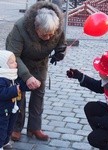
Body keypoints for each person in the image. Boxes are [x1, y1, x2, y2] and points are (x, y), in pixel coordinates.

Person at [6, 1, 67, 141]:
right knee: (19, 93)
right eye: (44, 34)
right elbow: (13, 55)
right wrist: (27, 76)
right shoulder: (20, 27)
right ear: (35, 26)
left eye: (51, 34)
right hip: (18, 60)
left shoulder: (56, 27)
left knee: (39, 93)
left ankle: (35, 127)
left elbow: (60, 43)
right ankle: (16, 127)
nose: (48, 37)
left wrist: (60, 53)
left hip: (40, 62)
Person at [0, 50, 30, 150]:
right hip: (2, 110)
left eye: (15, 61)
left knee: (10, 127)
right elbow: (2, 93)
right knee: (2, 128)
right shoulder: (2, 78)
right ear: (3, 64)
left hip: (12, 108)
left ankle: (5, 142)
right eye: (12, 62)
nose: (16, 64)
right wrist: (14, 89)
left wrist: (28, 85)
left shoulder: (13, 75)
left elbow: (20, 85)